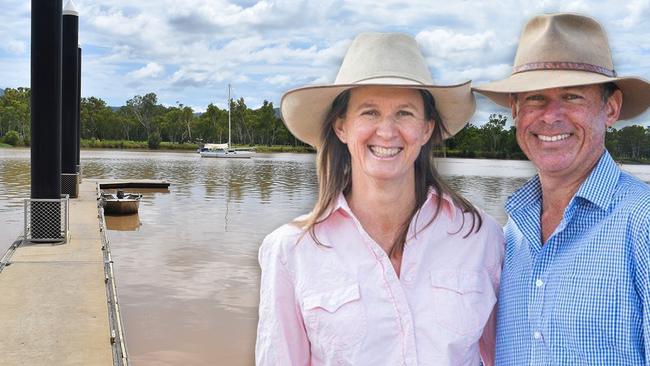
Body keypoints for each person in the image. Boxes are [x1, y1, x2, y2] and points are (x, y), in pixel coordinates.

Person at [256, 32, 504, 365]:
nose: (387, 132)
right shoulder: (290, 251)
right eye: (369, 112)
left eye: (404, 113)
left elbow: (503, 355)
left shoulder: (482, 237)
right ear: (342, 127)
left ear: (427, 129)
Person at [474, 13, 650, 365]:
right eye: (536, 98)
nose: (551, 116)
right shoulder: (507, 239)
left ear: (611, 108)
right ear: (515, 110)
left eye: (572, 96)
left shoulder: (643, 223)